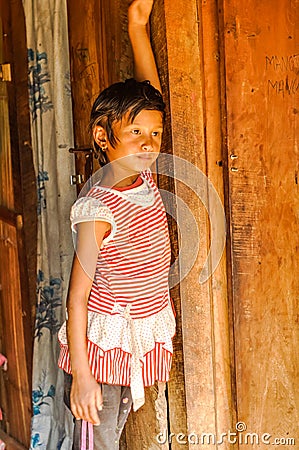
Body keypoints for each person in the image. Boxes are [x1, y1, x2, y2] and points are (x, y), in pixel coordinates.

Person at [58, 0, 176, 448]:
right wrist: (82, 380)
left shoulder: (141, 177)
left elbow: (150, 93)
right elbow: (77, 300)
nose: (148, 143)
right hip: (102, 358)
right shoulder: (98, 210)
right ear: (103, 138)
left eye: (155, 133)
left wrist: (137, 26)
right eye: (135, 134)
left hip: (137, 349)